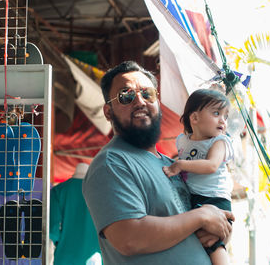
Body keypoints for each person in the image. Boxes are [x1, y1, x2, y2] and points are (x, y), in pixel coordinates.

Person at [82, 61, 234, 265]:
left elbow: (196, 224)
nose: (140, 101)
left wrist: (219, 231)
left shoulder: (175, 164)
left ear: (157, 103)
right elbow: (128, 238)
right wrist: (202, 216)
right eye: (126, 95)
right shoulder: (111, 163)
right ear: (108, 112)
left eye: (147, 94)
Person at [162, 88, 234, 265]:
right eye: (216, 113)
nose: (223, 121)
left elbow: (211, 165)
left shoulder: (219, 142)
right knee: (199, 241)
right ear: (194, 118)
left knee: (214, 244)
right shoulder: (183, 141)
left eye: (225, 116)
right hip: (194, 198)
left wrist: (180, 164)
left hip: (214, 198)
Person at [50, 163, 102, 265]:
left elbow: (52, 230)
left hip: (66, 257)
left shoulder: (58, 190)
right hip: (96, 258)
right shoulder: (102, 193)